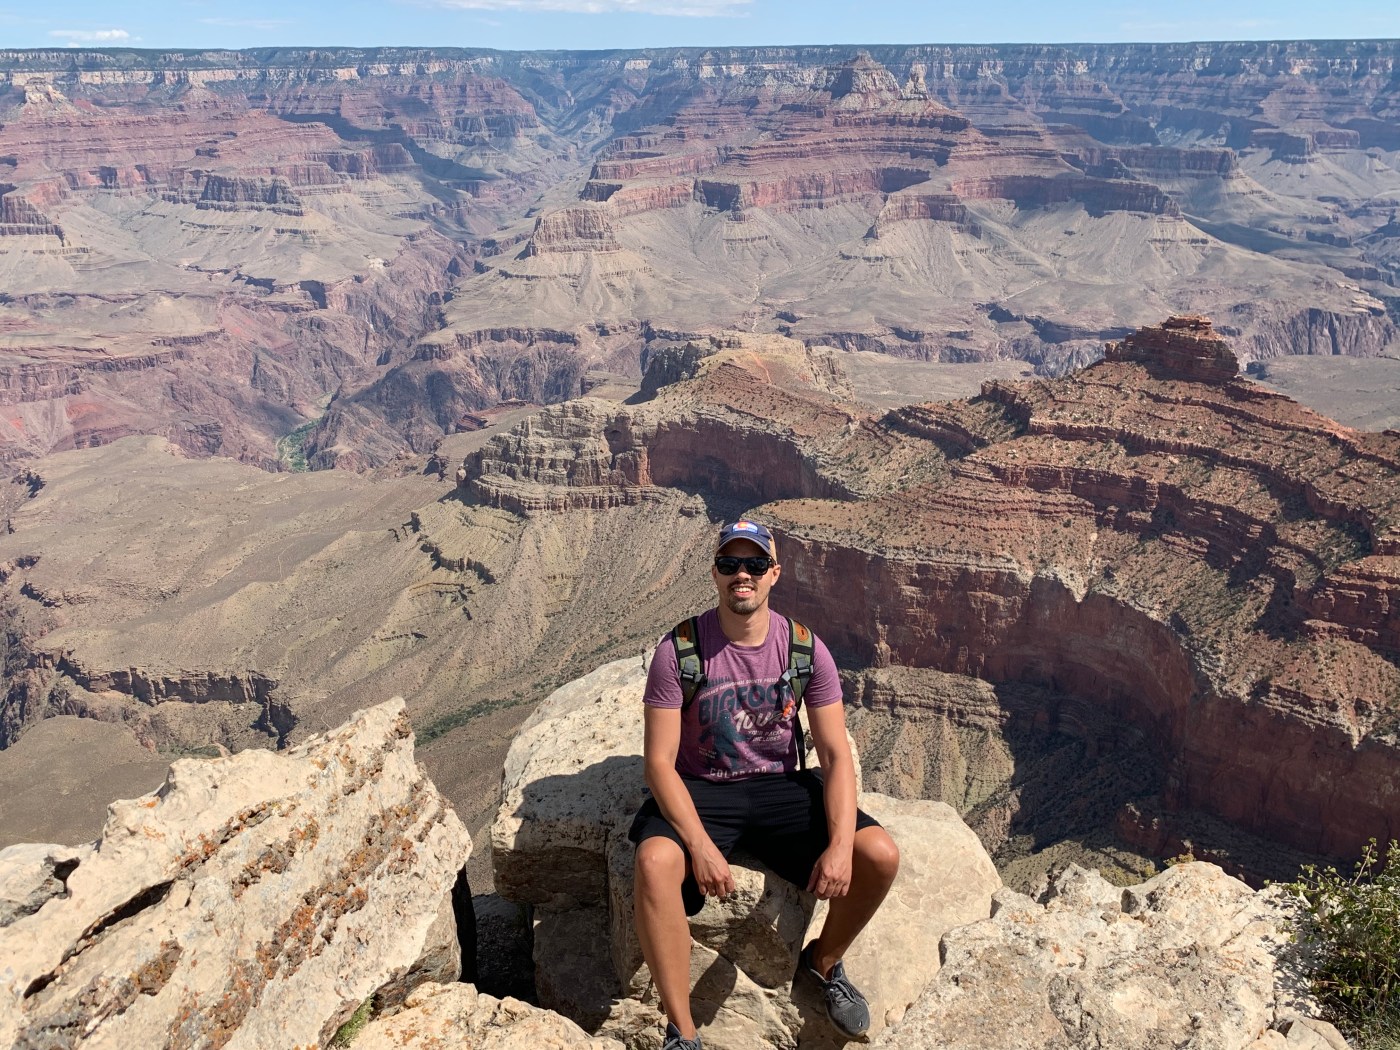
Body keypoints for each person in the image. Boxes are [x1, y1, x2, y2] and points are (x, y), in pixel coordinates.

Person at [628, 520, 901, 1049]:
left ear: (774, 573)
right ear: (714, 574)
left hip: (781, 787)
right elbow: (658, 764)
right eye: (730, 564)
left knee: (879, 855)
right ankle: (682, 1033)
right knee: (654, 862)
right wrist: (701, 847)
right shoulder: (679, 650)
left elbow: (835, 755)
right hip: (702, 787)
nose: (742, 575)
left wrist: (839, 846)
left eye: (755, 564)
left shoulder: (805, 649)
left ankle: (823, 963)